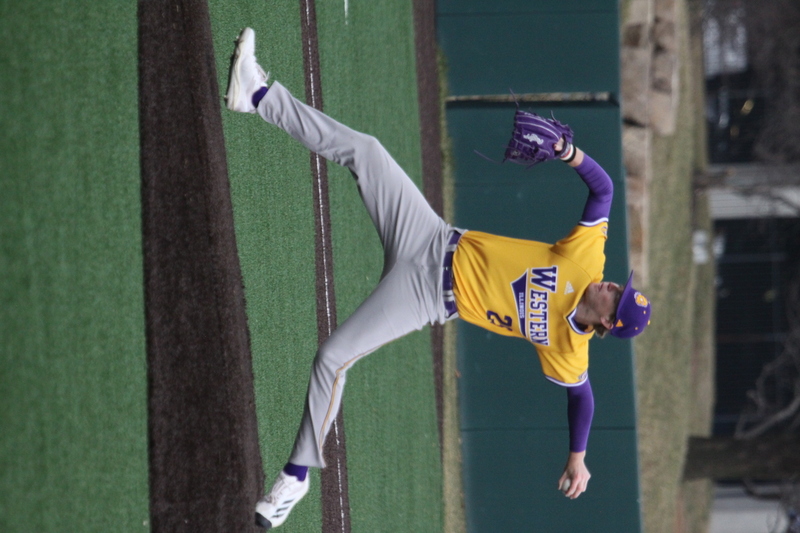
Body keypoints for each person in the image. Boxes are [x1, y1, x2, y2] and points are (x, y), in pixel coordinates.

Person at [225, 27, 652, 530]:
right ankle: (255, 95)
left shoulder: (568, 350)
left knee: (332, 357)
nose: (612, 288)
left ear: (607, 325)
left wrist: (578, 456)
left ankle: (294, 478)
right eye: (619, 286)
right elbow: (603, 193)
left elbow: (583, 395)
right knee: (367, 151)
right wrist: (568, 155)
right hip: (431, 236)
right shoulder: (586, 262)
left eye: (617, 300)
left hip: (425, 295)